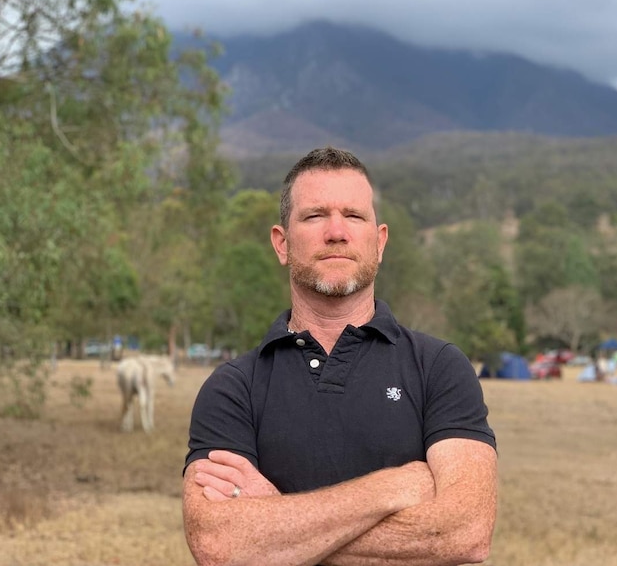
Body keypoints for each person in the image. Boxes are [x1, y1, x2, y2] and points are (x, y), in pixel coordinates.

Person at [181, 147, 498, 566]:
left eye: (353, 215)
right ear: (282, 243)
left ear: (379, 241)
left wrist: (278, 528)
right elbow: (219, 544)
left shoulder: (439, 368)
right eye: (314, 216)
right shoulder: (232, 388)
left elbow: (465, 532)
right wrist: (393, 487)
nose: (336, 232)